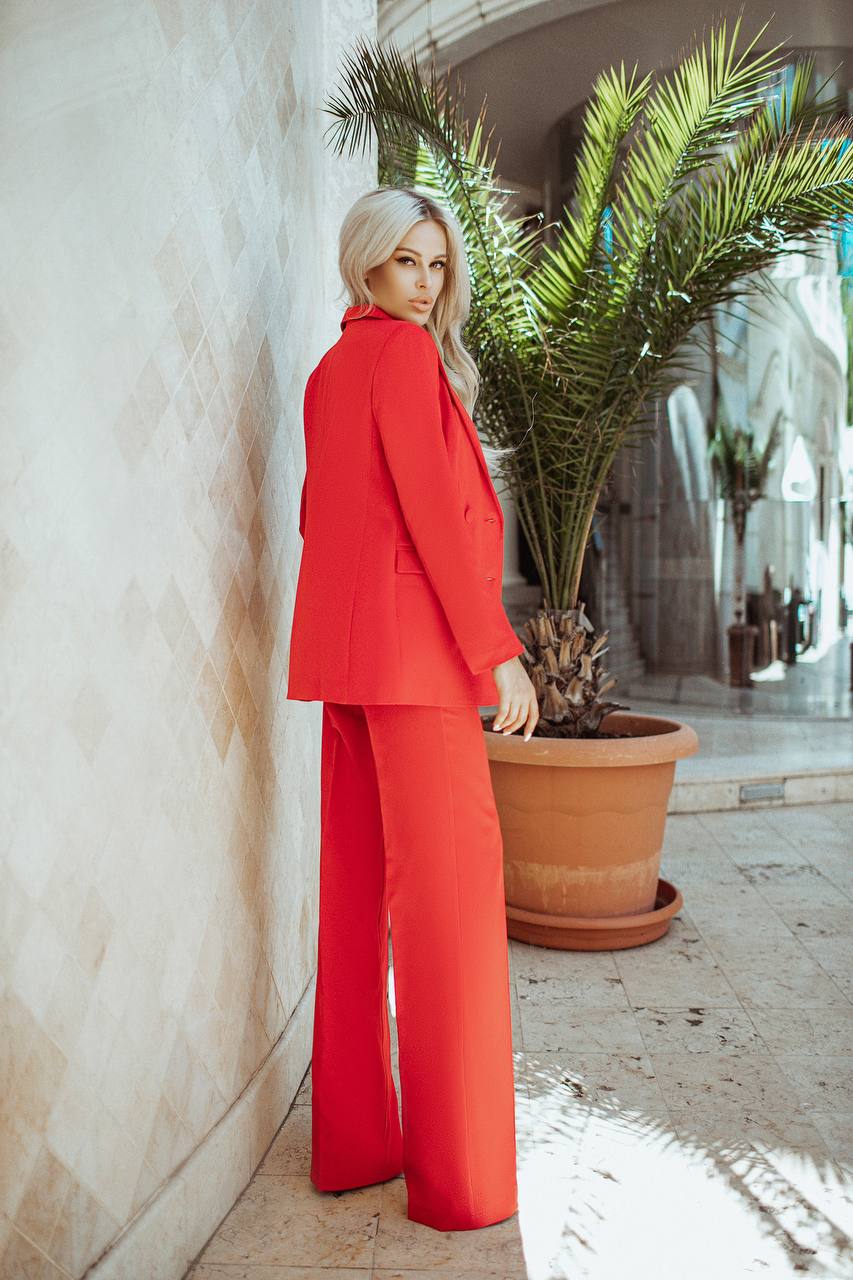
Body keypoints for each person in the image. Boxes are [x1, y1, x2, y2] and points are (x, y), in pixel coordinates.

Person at [286, 185, 538, 1231]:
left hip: (347, 665)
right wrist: (498, 654)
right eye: (406, 264)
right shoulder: (398, 359)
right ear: (366, 268)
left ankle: (355, 1146)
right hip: (419, 664)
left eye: (438, 266)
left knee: (352, 903)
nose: (426, 285)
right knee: (452, 919)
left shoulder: (329, 370)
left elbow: (321, 515)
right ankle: (462, 1182)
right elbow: (434, 519)